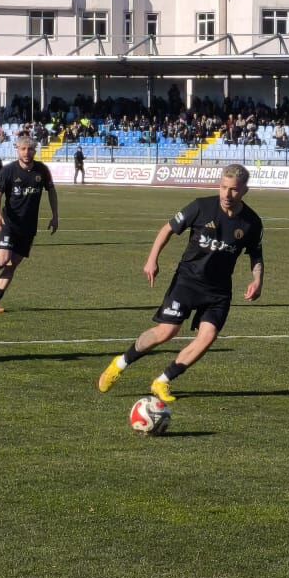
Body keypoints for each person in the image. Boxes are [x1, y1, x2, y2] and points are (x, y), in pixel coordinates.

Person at [98, 165, 263, 404]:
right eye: (223, 188)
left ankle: (163, 381)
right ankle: (120, 363)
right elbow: (167, 229)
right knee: (166, 331)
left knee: (208, 337)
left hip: (218, 290)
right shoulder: (200, 207)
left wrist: (257, 279)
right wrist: (152, 259)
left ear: (245, 191)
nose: (227, 195)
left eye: (234, 190)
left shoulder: (252, 223)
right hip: (188, 281)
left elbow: (256, 254)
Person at [0, 134, 57, 312]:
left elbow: (51, 191)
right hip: (9, 222)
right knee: (3, 259)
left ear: (35, 150)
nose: (26, 152)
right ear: (17, 150)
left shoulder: (42, 170)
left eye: (30, 149)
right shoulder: (8, 171)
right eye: (23, 149)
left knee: (13, 265)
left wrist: (55, 215)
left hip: (28, 227)